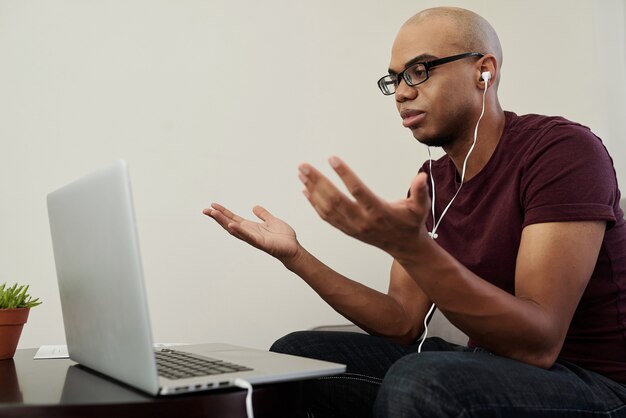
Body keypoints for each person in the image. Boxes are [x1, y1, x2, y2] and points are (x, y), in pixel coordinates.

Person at [204, 6, 626, 418]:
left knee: (422, 379)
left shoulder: (561, 151)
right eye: (395, 79)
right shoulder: (432, 182)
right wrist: (296, 257)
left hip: (596, 383)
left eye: (420, 70)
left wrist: (413, 247)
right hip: (498, 367)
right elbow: (403, 320)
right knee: (297, 356)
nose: (403, 92)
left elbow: (539, 343)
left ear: (485, 71)